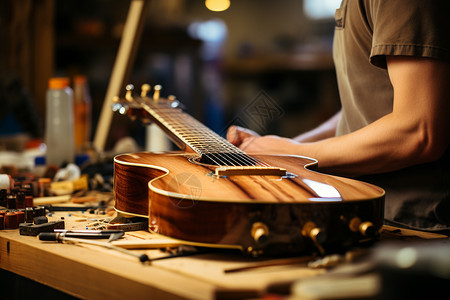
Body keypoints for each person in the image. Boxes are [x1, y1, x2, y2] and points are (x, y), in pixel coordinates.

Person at [227, 0, 450, 234]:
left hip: (415, 226)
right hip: (366, 208)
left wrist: (292, 154)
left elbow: (418, 130)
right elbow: (361, 108)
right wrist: (279, 148)